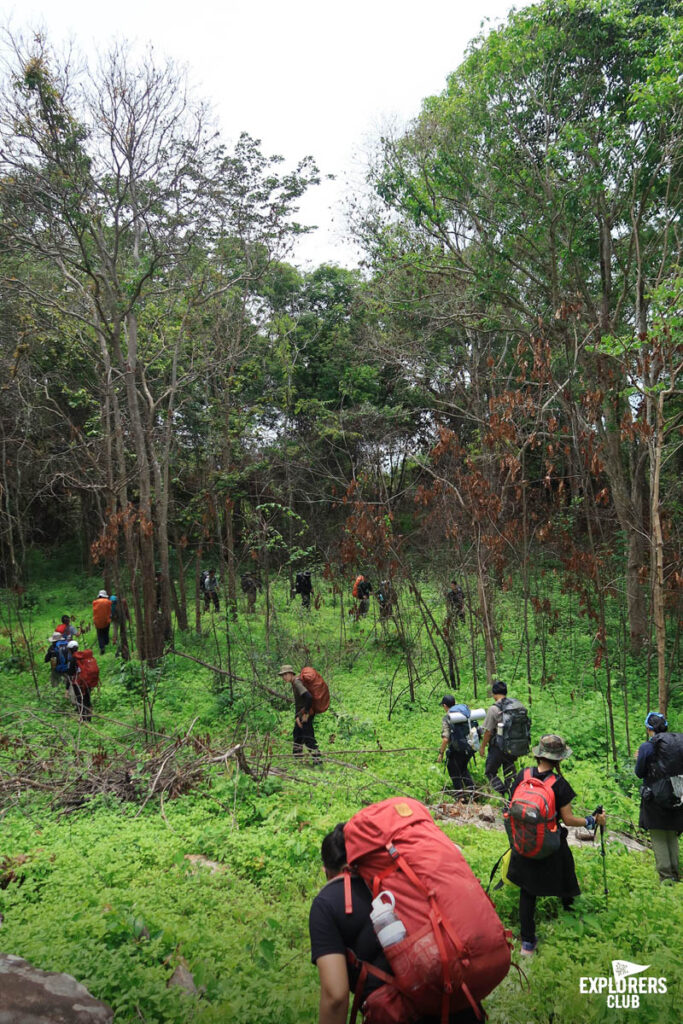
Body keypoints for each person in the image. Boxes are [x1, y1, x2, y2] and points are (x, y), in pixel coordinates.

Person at [309, 824, 482, 1024]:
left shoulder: (326, 903)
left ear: (326, 872)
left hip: (402, 1015)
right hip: (462, 1006)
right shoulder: (408, 875)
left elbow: (335, 997)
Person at [506, 734, 606, 955]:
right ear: (559, 759)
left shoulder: (522, 775)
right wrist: (591, 820)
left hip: (523, 842)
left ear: (539, 754)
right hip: (549, 844)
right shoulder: (559, 784)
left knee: (527, 890)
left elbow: (513, 807)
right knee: (566, 874)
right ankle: (571, 916)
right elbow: (569, 820)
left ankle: (527, 943)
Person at [634, 711, 683, 883]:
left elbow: (639, 773)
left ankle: (666, 878)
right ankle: (676, 875)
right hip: (677, 794)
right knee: (671, 835)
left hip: (654, 798)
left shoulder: (647, 747)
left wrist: (639, 759)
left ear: (649, 729)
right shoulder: (678, 743)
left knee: (659, 836)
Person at [478, 680, 517, 798]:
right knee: (509, 772)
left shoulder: (494, 709)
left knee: (490, 772)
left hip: (498, 747)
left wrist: (482, 747)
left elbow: (488, 731)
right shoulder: (515, 706)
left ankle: (502, 792)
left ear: (494, 694)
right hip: (514, 745)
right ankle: (512, 795)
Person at [278, 664, 322, 765]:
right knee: (297, 735)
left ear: (290, 674)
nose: (284, 677)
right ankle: (297, 760)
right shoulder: (295, 682)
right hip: (302, 714)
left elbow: (308, 697)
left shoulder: (297, 683)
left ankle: (318, 761)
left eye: (285, 674)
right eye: (282, 675)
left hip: (306, 714)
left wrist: (306, 713)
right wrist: (297, 716)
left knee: (308, 737)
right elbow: (299, 703)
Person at [437, 695, 475, 798]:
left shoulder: (448, 717)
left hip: (457, 749)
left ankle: (460, 797)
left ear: (445, 706)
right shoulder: (463, 713)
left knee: (452, 769)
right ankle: (473, 794)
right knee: (463, 769)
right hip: (470, 747)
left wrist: (441, 753)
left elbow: (446, 738)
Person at [64, 640, 92, 722]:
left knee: (80, 700)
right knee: (87, 699)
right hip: (88, 681)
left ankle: (82, 718)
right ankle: (89, 718)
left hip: (78, 682)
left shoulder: (73, 659)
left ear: (69, 650)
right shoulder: (84, 656)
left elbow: (70, 674)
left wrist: (67, 689)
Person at [92, 590, 112, 655]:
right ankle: (106, 643)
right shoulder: (108, 602)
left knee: (100, 635)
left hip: (98, 621)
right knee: (106, 632)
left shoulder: (95, 602)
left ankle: (102, 647)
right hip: (106, 621)